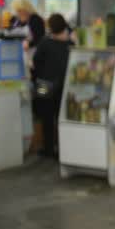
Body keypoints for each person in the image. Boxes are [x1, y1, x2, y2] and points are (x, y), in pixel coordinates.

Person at [32, 14, 72, 157]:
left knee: (46, 117)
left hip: (44, 83)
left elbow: (36, 61)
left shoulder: (44, 43)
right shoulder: (69, 44)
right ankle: (62, 149)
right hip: (62, 84)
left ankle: (48, 148)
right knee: (60, 116)